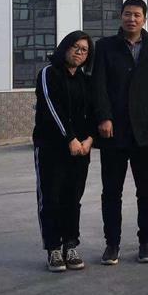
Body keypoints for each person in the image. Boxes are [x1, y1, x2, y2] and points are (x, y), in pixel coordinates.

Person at [92, 0, 148, 265]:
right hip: (113, 133)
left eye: (136, 15)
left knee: (147, 190)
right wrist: (104, 117)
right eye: (127, 14)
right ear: (120, 16)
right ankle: (112, 244)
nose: (131, 19)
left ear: (144, 19)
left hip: (145, 133)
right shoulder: (105, 47)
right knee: (112, 191)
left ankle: (146, 241)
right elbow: (98, 85)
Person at [32, 31, 96, 272]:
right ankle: (53, 248)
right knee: (51, 199)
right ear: (65, 47)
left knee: (73, 199)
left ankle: (70, 244)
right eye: (75, 47)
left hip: (80, 151)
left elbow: (92, 112)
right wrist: (69, 138)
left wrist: (89, 139)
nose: (79, 52)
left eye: (84, 50)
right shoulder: (48, 74)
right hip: (51, 149)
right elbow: (52, 108)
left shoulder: (85, 80)